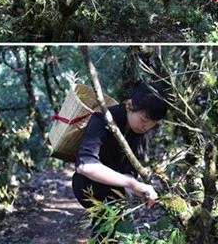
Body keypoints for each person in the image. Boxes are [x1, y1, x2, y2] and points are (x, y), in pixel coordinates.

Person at [72, 81, 168, 242]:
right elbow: (85, 165)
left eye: (152, 124)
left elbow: (130, 169)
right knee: (104, 229)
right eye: (144, 120)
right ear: (129, 105)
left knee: (110, 232)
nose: (146, 127)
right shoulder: (102, 118)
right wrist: (131, 184)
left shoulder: (142, 130)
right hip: (88, 187)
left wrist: (139, 189)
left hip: (114, 194)